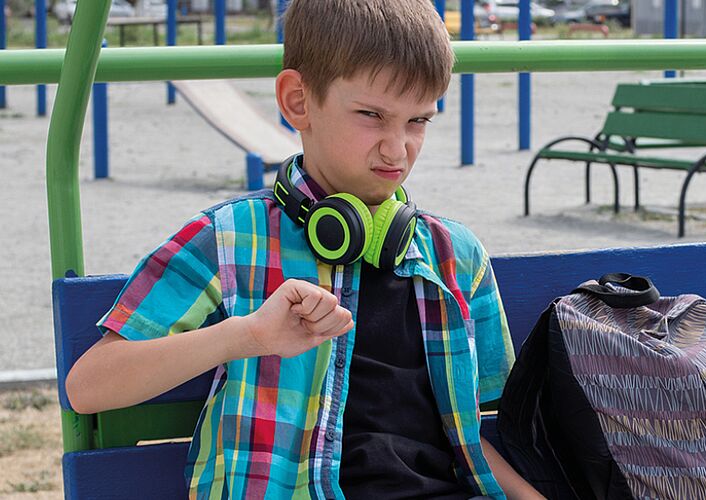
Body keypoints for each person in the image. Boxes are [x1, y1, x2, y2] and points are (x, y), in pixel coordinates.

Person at [64, 0, 539, 497]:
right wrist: (244, 337)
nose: (398, 149)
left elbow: (475, 432)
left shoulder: (455, 255)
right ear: (297, 101)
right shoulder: (230, 239)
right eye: (372, 115)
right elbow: (90, 386)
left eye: (418, 121)